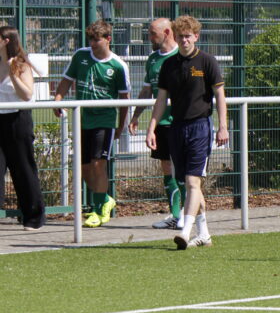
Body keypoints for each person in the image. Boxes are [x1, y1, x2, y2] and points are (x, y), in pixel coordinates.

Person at [146, 15, 228, 250]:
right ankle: (204, 234)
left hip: (200, 127)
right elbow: (161, 100)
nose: (184, 40)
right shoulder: (168, 65)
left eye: (188, 36)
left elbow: (220, 96)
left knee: (193, 181)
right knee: (186, 182)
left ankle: (185, 230)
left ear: (196, 37)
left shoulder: (207, 62)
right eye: (180, 36)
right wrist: (151, 128)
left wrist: (223, 126)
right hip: (176, 128)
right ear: (175, 36)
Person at [53, 19, 130, 228]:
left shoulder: (118, 66)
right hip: (83, 119)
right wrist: (57, 99)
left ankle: (97, 210)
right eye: (91, 39)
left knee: (98, 164)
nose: (93, 43)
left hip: (104, 120)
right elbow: (66, 80)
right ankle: (105, 199)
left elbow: (125, 100)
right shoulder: (81, 56)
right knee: (84, 168)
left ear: (108, 39)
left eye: (97, 39)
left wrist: (121, 125)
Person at [128, 18, 182, 229]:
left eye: (152, 33)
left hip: (181, 121)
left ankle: (188, 214)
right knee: (166, 168)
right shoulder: (152, 59)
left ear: (167, 32)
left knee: (184, 170)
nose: (149, 38)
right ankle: (176, 215)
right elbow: (147, 90)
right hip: (160, 123)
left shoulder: (181, 55)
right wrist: (136, 115)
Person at [0, 26, 46, 230]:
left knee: (23, 169)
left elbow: (27, 95)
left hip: (18, 121)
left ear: (6, 41)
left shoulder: (21, 64)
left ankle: (33, 217)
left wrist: (13, 72)